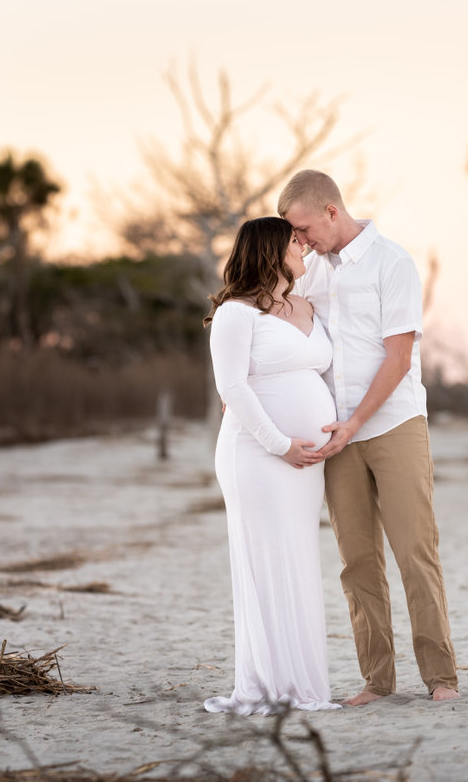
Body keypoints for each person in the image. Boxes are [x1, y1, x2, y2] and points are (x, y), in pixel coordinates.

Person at [278, 169, 460, 705]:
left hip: (394, 425)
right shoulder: (307, 272)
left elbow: (398, 358)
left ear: (332, 211)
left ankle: (441, 678)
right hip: (334, 437)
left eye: (304, 228)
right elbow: (279, 333)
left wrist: (355, 423)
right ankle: (377, 681)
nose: (299, 240)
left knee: (415, 552)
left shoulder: (392, 262)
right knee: (356, 562)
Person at [202, 216, 341, 715]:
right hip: (256, 456)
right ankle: (267, 683)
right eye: (294, 243)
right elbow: (232, 388)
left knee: (298, 559)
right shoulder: (236, 314)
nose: (303, 248)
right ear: (270, 250)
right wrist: (280, 444)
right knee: (266, 564)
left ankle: (303, 684)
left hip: (306, 464)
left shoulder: (308, 305)